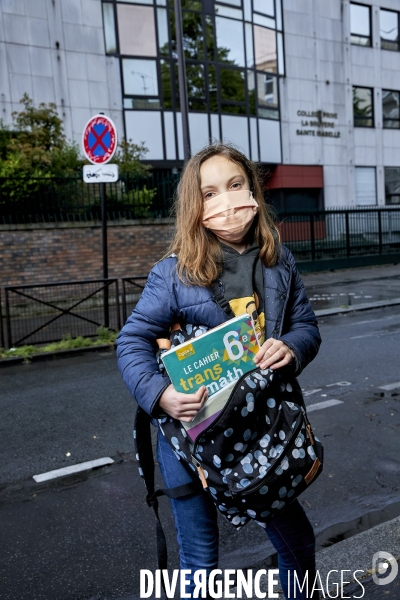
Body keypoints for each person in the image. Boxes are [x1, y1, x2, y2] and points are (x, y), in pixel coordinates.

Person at [116, 143, 322, 600]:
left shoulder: (279, 261)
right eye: (209, 193)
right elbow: (131, 341)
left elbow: (306, 325)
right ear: (195, 205)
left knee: (298, 546)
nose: (226, 202)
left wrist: (291, 346)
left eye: (235, 185)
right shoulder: (171, 273)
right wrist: (159, 395)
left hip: (261, 434)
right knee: (199, 565)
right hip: (186, 437)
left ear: (253, 191)